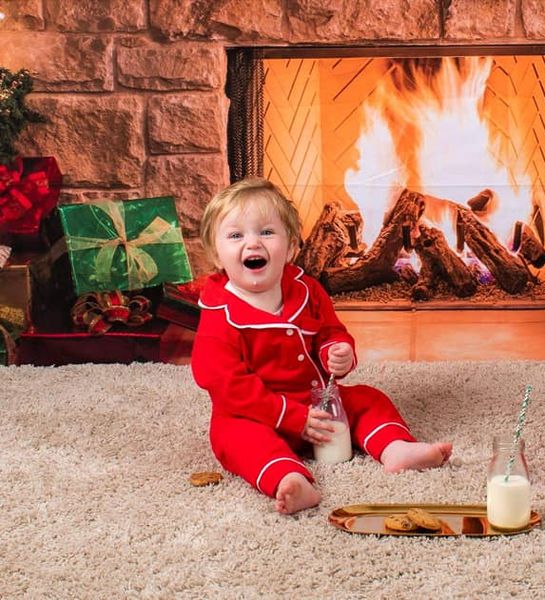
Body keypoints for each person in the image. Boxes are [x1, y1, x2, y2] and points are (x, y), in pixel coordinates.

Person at [191, 177, 452, 515]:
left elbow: (330, 331)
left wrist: (338, 351)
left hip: (320, 405)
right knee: (233, 437)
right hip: (256, 414)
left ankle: (395, 448)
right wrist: (289, 416)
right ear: (216, 252)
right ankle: (288, 477)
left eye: (267, 232)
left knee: (367, 398)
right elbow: (227, 385)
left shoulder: (307, 290)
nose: (253, 243)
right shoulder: (219, 314)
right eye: (236, 235)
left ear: (291, 246)